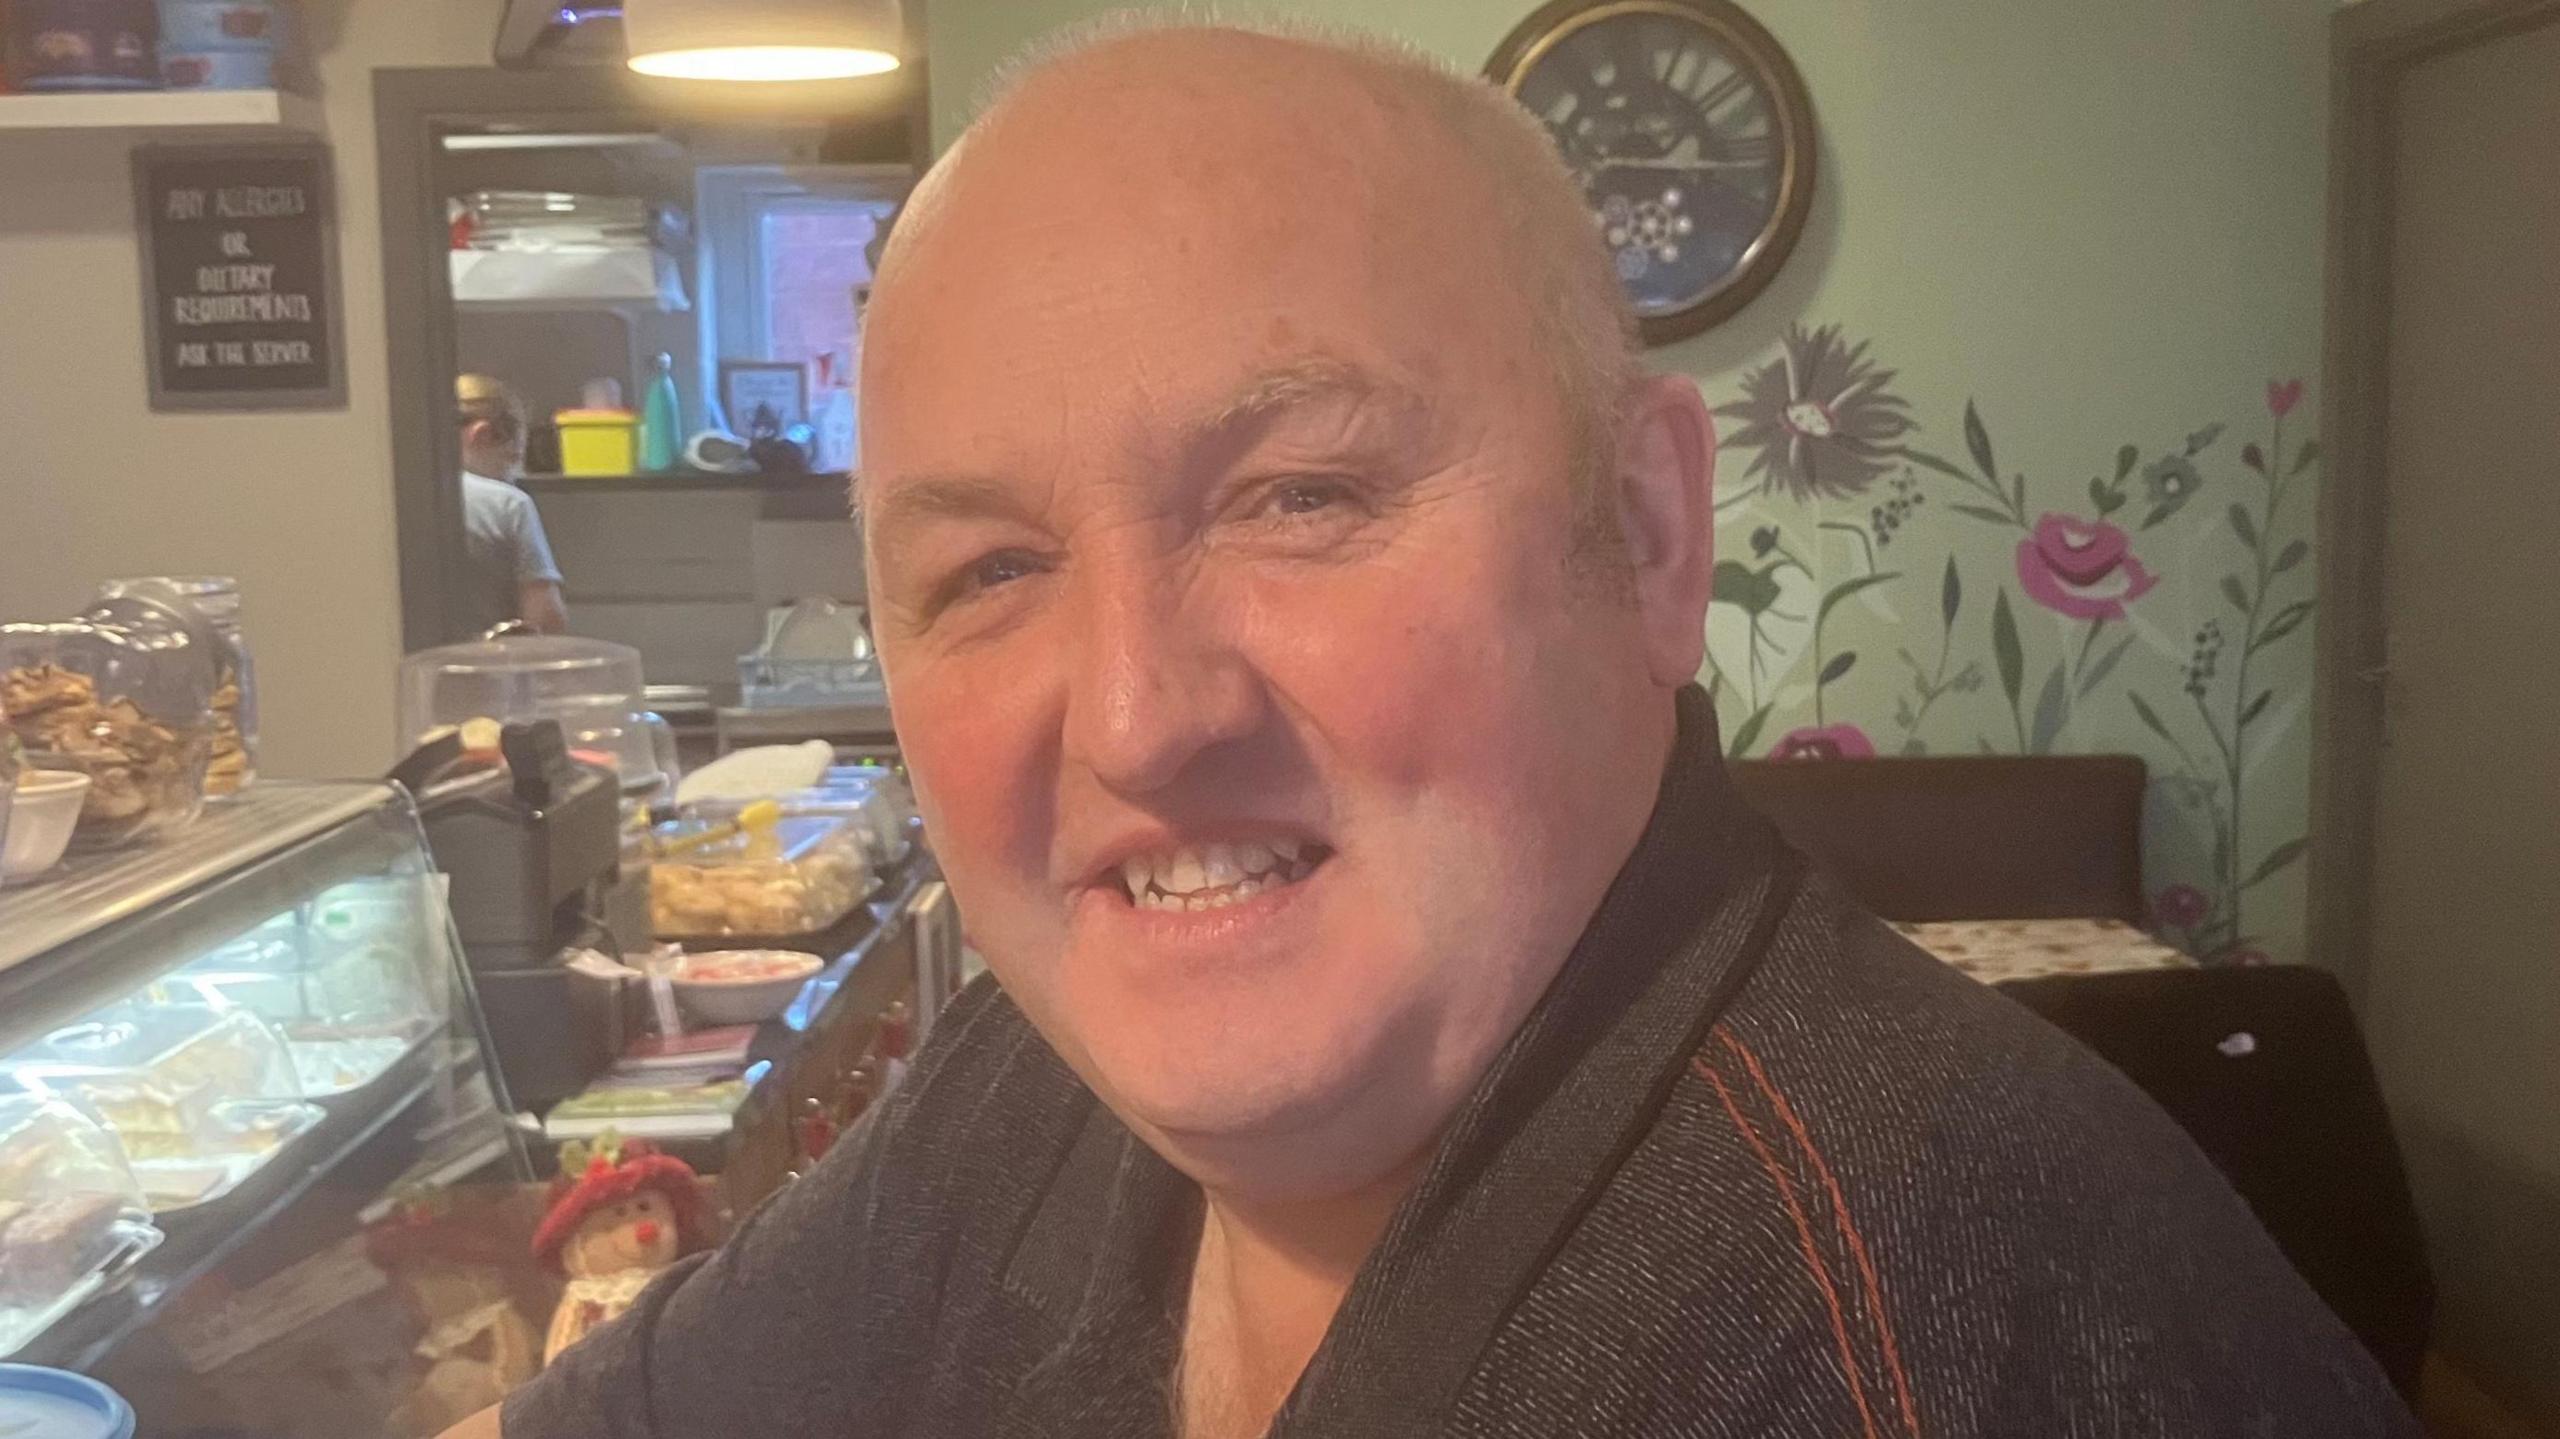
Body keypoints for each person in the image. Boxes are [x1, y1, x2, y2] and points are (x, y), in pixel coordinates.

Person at [469, 20, 2417, 1439]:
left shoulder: (1900, 1328)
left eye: (1296, 495)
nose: (1140, 711)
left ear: (1647, 533)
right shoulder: (1035, 1094)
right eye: (984, 571)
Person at [456, 373, 569, 637]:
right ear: (480, 435)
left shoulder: (384, 498)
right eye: (511, 458)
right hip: (487, 670)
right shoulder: (508, 505)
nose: (510, 477)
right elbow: (546, 622)